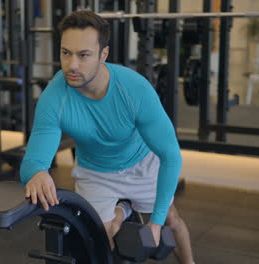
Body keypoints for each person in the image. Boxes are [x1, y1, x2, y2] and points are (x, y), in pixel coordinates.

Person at [20, 10, 195, 264]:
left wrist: (155, 223)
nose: (72, 65)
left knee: (170, 219)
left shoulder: (134, 90)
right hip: (95, 171)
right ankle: (123, 209)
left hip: (141, 165)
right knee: (102, 234)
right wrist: (37, 173)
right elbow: (34, 159)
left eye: (83, 55)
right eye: (65, 53)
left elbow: (170, 155)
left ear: (104, 55)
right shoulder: (55, 96)